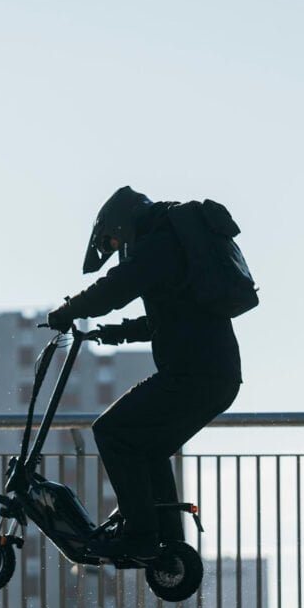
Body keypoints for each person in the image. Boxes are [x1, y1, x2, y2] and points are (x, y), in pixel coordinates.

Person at [46, 186, 242, 559]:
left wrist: (68, 311)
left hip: (192, 376)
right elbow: (168, 318)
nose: (117, 247)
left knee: (111, 431)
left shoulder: (159, 245)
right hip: (216, 377)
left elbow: (115, 289)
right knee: (147, 449)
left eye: (115, 238)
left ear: (125, 222)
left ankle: (140, 536)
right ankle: (170, 547)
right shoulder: (176, 247)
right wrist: (114, 333)